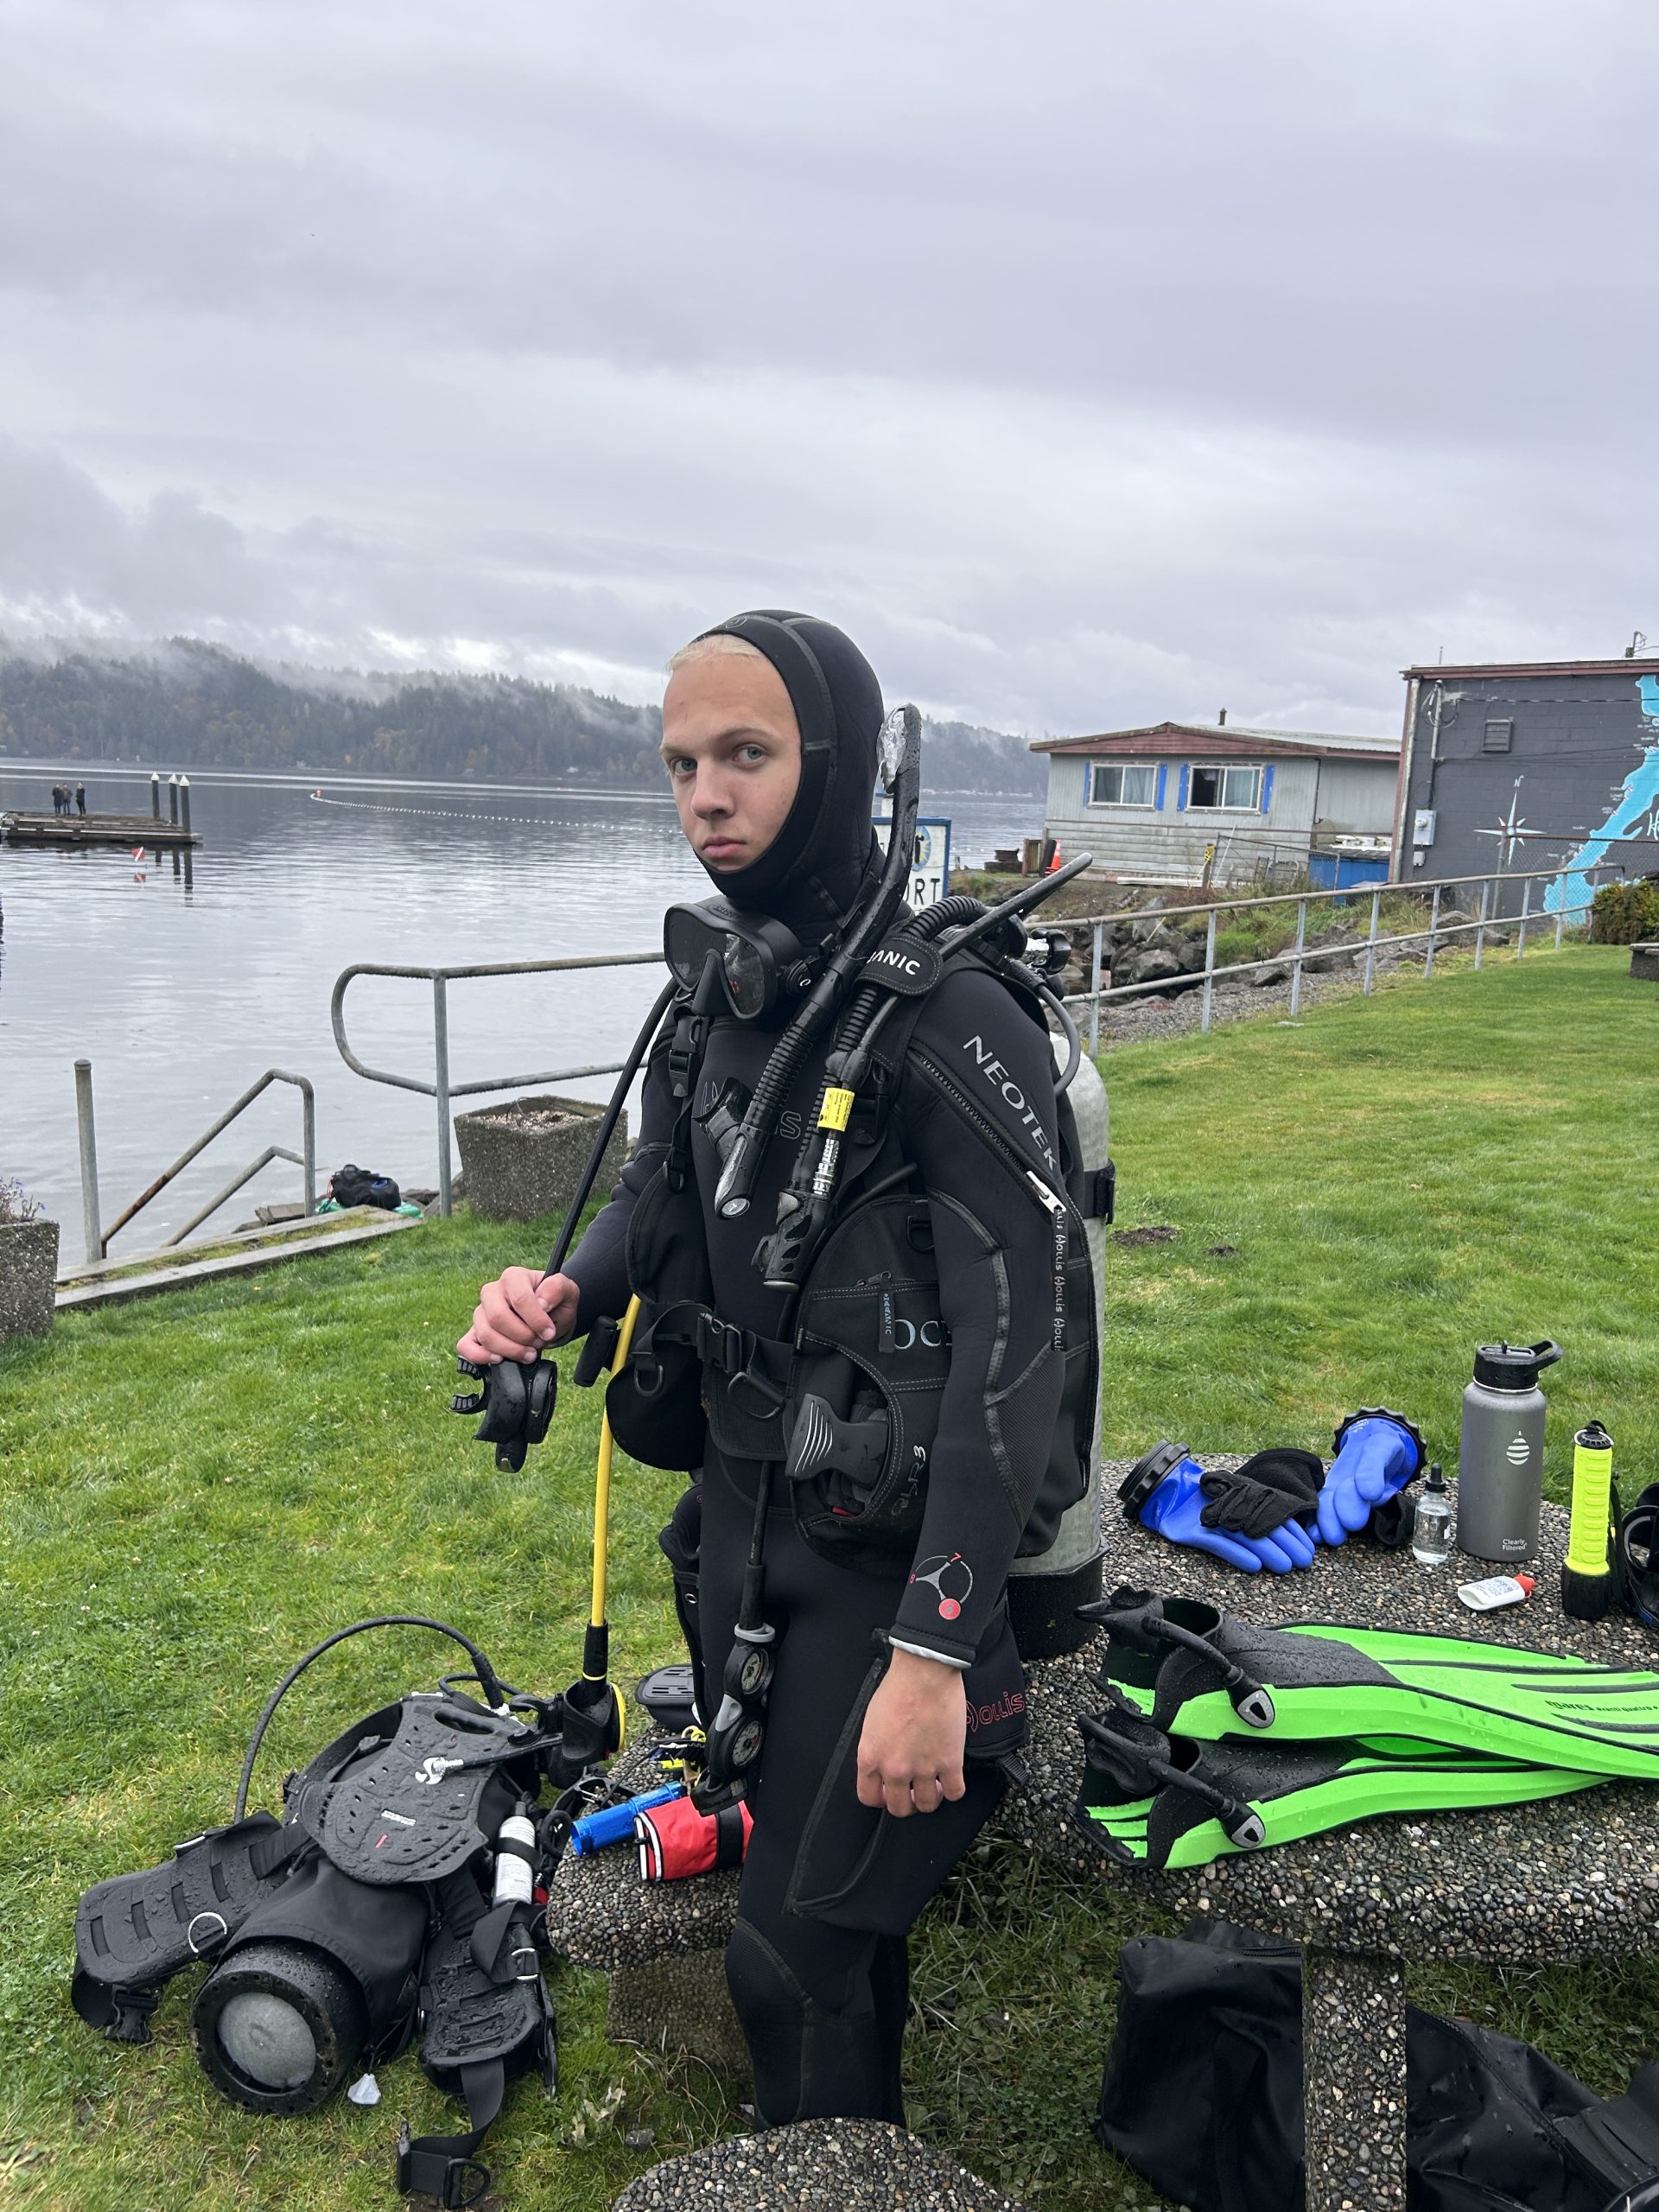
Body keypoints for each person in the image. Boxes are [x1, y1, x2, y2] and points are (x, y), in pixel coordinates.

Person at [460, 613, 1069, 2127]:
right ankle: (851, 2139)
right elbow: (661, 1197)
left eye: (746, 755)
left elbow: (1017, 1357)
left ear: (844, 766)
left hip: (892, 1570)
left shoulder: (949, 1020)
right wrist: (558, 1291)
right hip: (744, 1533)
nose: (706, 798)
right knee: (830, 1937)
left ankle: (823, 2166)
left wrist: (933, 1659)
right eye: (680, 765)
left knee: (786, 1968)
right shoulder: (716, 1000)